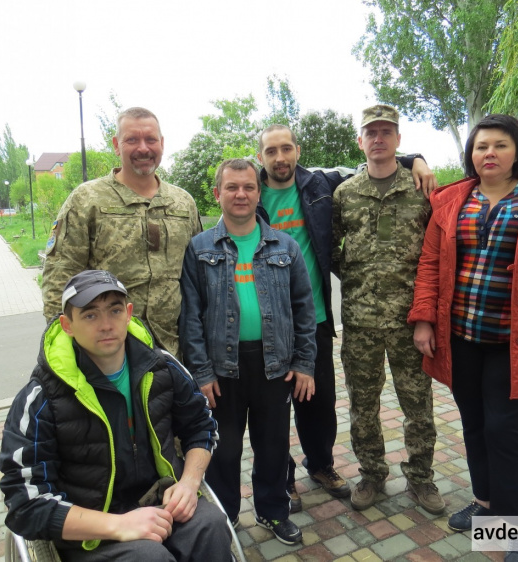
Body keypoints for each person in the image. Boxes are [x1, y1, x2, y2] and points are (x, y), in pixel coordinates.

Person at [408, 114, 518, 561]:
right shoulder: (452, 200)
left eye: (500, 145)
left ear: (517, 151)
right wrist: (424, 320)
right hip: (463, 336)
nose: (489, 152)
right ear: (471, 153)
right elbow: (430, 262)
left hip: (516, 340)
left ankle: (517, 531)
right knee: (474, 424)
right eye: (481, 145)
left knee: (505, 430)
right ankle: (486, 505)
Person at [256, 123, 438, 511]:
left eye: (286, 148)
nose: (280, 157)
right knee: (273, 410)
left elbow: (377, 161)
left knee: (320, 403)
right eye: (271, 151)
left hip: (315, 316)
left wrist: (415, 159)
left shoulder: (323, 186)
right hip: (267, 319)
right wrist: (356, 276)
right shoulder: (250, 191)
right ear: (261, 157)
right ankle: (284, 479)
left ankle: (323, 465)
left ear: (298, 151)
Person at [0, 270, 230, 562]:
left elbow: (202, 427)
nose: (106, 325)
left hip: (161, 502)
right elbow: (25, 505)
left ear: (129, 314)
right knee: (149, 558)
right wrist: (118, 525)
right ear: (67, 325)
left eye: (115, 310)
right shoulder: (41, 398)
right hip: (90, 529)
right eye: (90, 315)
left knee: (210, 526)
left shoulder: (163, 369)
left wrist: (189, 483)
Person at [179, 158, 317, 546]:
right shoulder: (200, 247)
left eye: (248, 187)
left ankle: (273, 511)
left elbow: (304, 309)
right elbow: (191, 317)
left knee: (273, 445)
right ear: (217, 193)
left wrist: (305, 363)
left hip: (275, 364)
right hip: (221, 368)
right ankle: (225, 517)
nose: (241, 194)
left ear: (259, 193)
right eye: (232, 187)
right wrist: (201, 373)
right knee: (222, 451)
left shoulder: (284, 246)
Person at [332, 104, 444, 514]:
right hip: (360, 322)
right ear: (360, 141)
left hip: (410, 321)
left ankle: (421, 478)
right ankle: (372, 474)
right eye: (371, 133)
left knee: (418, 404)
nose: (378, 139)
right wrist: (359, 281)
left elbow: (438, 252)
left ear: (399, 140)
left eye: (386, 132)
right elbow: (331, 248)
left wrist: (427, 312)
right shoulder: (344, 194)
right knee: (363, 406)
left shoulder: (421, 189)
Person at [41, 107, 202, 356]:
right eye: (132, 140)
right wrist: (64, 347)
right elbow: (59, 278)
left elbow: (197, 280)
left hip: (173, 349)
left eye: (150, 139)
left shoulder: (183, 203)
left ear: (162, 143)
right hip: (108, 353)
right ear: (117, 145)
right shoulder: (87, 200)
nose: (143, 148)